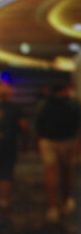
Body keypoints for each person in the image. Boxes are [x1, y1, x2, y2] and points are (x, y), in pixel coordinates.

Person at [34, 83, 81, 223]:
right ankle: (66, 201)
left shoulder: (44, 104)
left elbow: (38, 124)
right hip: (68, 141)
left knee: (50, 172)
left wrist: (37, 142)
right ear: (66, 89)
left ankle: (52, 207)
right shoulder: (74, 104)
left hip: (47, 141)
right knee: (67, 172)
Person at [0, 84, 28, 208]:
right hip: (9, 143)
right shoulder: (15, 108)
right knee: (6, 171)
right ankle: (3, 200)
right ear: (10, 95)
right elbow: (24, 126)